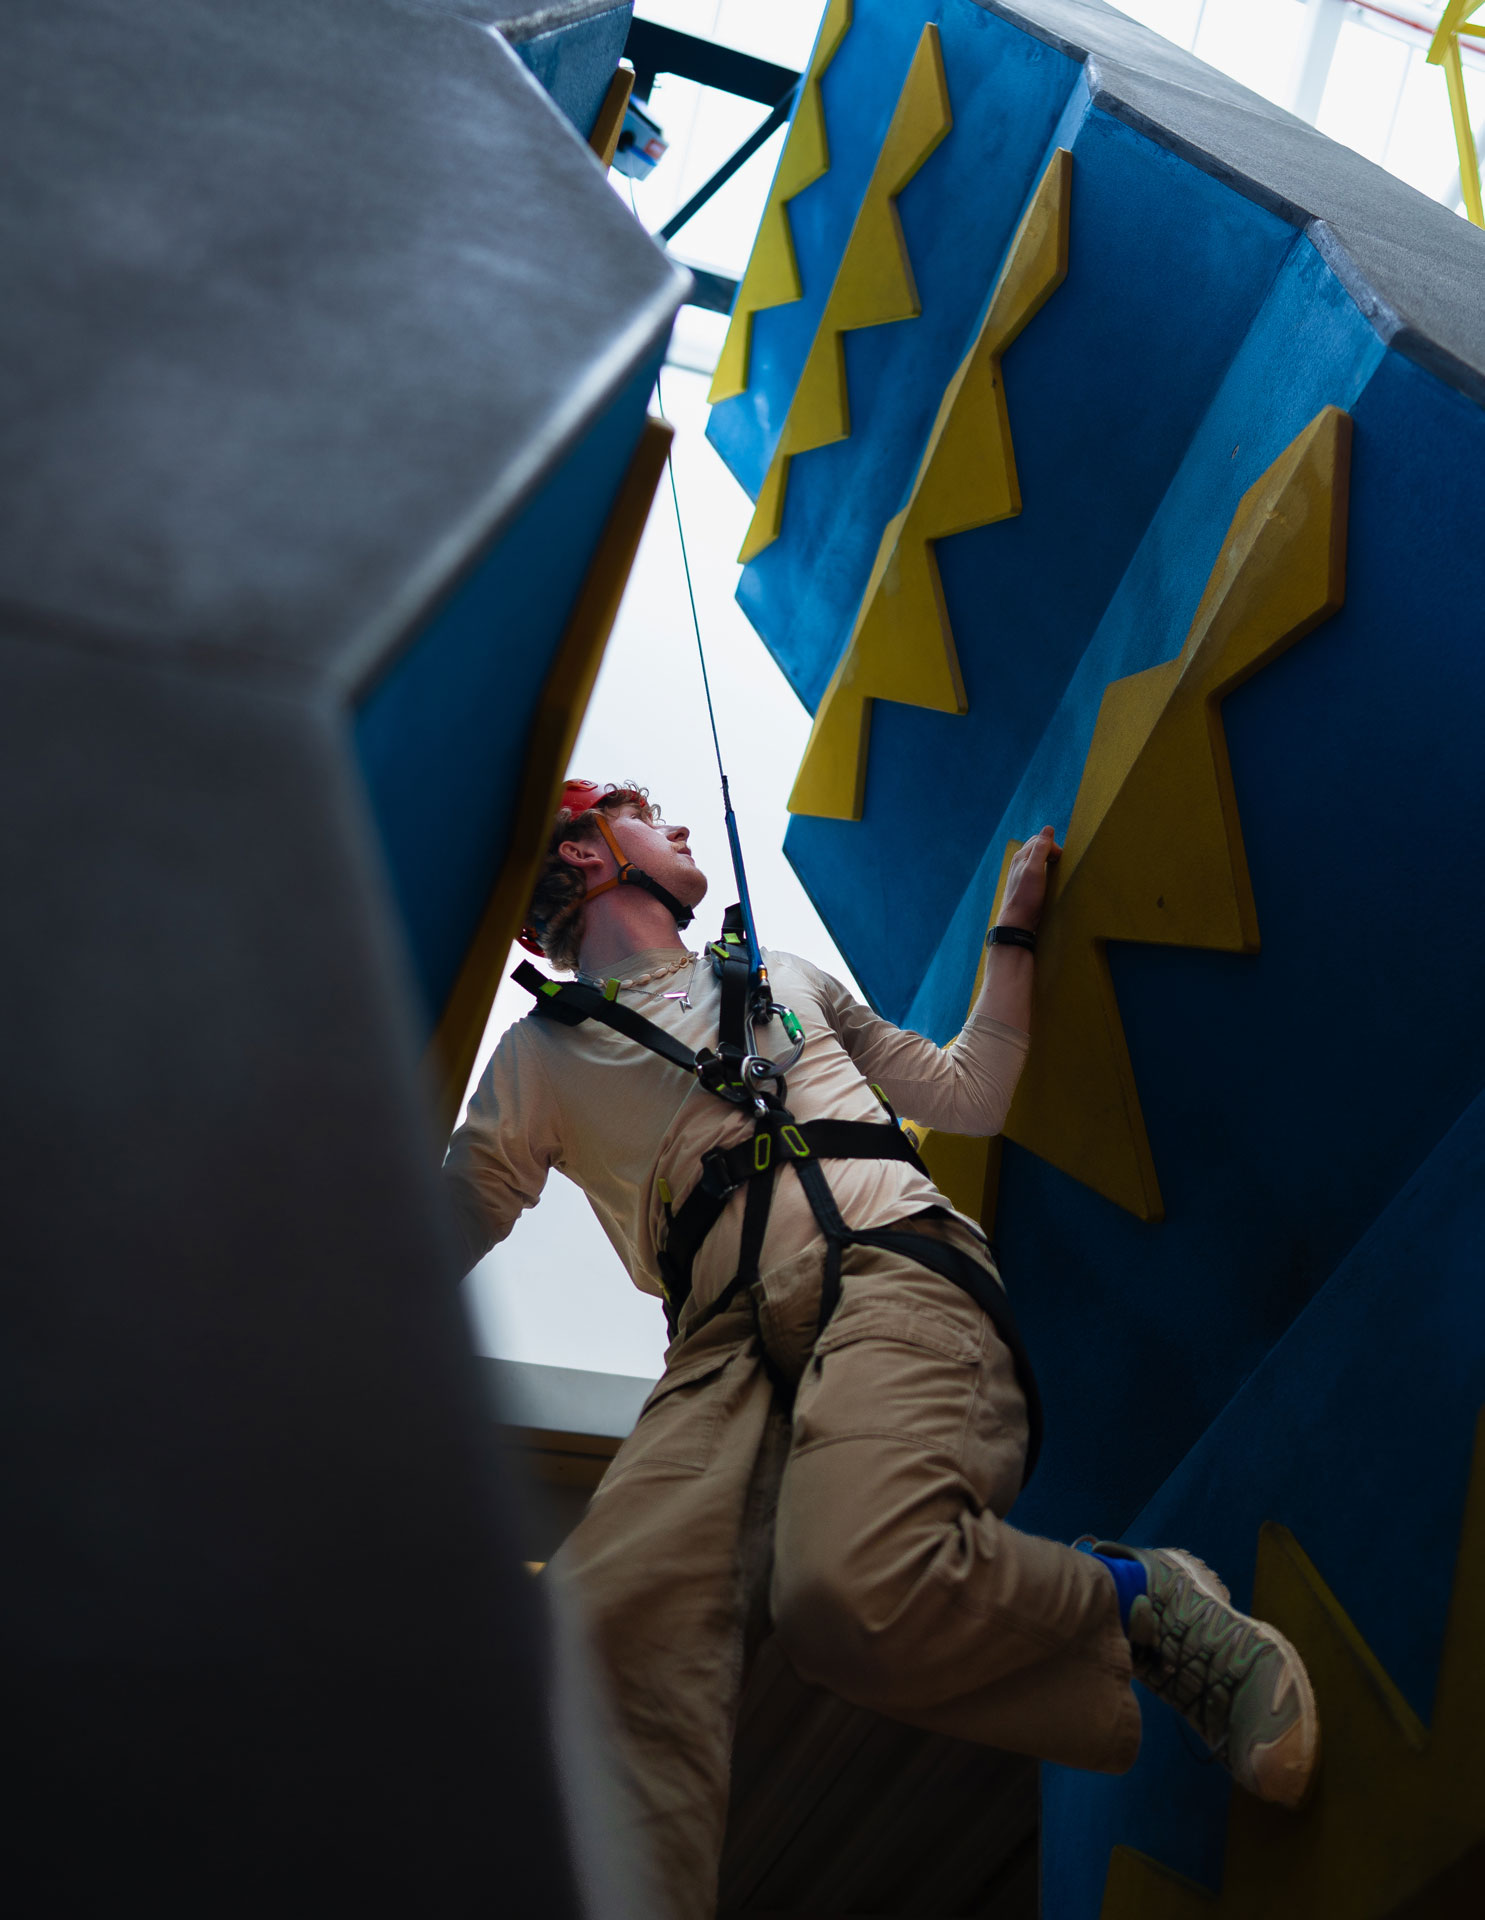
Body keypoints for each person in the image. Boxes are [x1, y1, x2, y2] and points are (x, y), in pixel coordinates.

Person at [444, 781, 1319, 1920]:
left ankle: (1143, 1604)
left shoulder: (788, 978)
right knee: (590, 1640)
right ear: (591, 851)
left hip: (888, 1268)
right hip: (715, 1355)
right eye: (649, 814)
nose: (684, 829)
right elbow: (433, 1236)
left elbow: (969, 1090)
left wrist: (1012, 929)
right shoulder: (537, 1060)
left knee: (854, 1593)